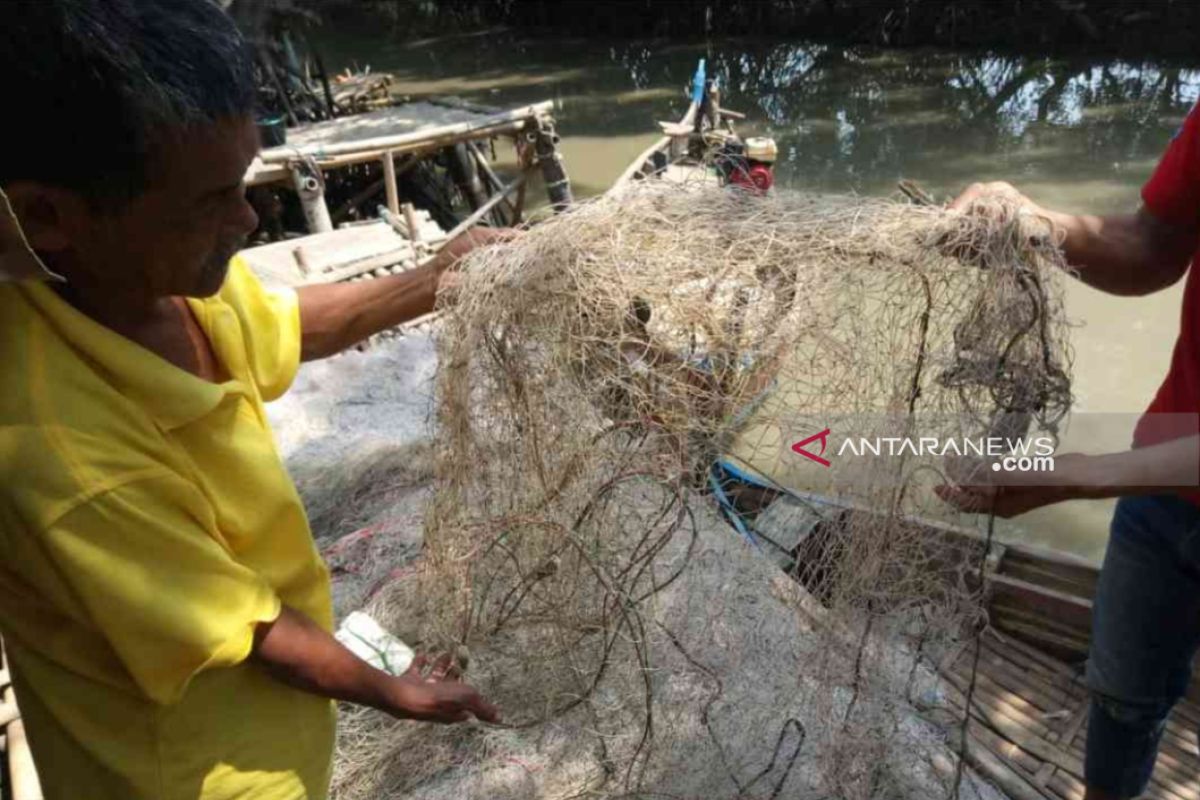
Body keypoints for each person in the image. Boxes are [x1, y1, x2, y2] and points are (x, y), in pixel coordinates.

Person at [0, 1, 501, 798]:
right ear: (49, 217)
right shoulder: (57, 450)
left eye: (243, 184)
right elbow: (256, 629)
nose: (247, 218)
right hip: (191, 774)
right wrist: (398, 691)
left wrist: (438, 276)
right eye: (211, 201)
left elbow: (278, 323)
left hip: (277, 733)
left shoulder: (148, 280)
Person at [940, 105, 1200, 799]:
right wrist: (1033, 225)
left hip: (1135, 475)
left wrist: (1081, 473)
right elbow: (1153, 246)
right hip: (1162, 494)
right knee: (1121, 698)